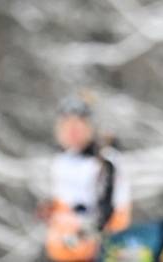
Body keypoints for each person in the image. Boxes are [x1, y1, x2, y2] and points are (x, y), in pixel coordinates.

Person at [43, 97, 132, 262]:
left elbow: (116, 219)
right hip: (61, 254)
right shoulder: (60, 162)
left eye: (78, 125)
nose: (72, 132)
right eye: (66, 126)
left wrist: (84, 227)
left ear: (89, 128)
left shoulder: (105, 162)